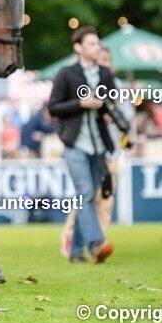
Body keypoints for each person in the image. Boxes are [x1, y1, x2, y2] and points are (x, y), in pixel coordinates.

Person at [47, 26, 118, 264]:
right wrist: (81, 103)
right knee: (86, 193)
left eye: (98, 43)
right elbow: (53, 107)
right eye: (92, 44)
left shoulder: (105, 74)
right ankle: (96, 243)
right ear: (78, 48)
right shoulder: (66, 74)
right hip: (75, 143)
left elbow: (112, 102)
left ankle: (76, 250)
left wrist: (107, 109)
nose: (97, 48)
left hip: (99, 145)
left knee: (87, 195)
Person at [59, 44, 133, 256]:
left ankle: (94, 245)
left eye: (107, 61)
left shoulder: (116, 87)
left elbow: (127, 118)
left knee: (105, 201)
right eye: (101, 61)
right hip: (88, 147)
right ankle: (81, 240)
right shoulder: (83, 84)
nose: (104, 65)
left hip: (111, 151)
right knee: (87, 197)